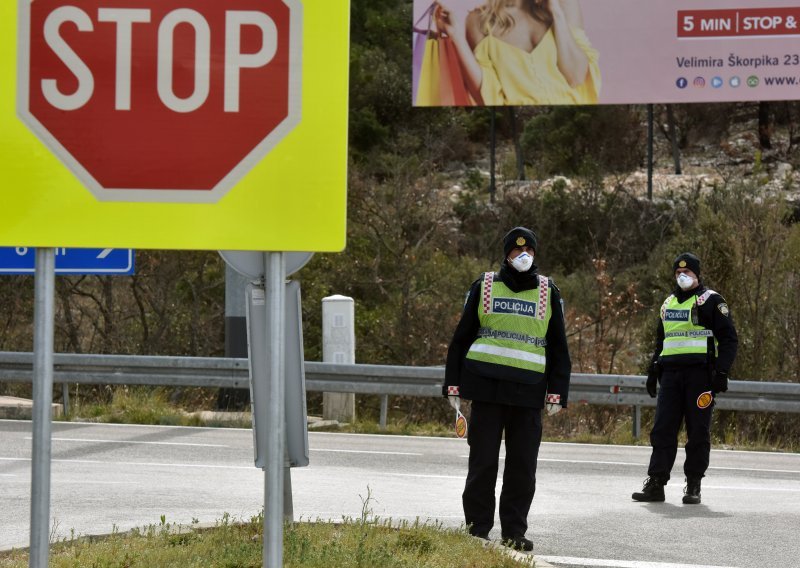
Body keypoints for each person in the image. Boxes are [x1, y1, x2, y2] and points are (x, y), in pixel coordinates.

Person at [444, 227, 571, 551]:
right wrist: (452, 384)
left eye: (528, 249)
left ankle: (514, 531)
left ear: (535, 253)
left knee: (522, 467)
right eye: (516, 251)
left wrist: (557, 392)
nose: (522, 255)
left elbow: (559, 348)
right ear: (506, 254)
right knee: (483, 463)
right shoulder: (484, 286)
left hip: (528, 394)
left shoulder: (547, 291)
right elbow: (461, 339)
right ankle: (477, 530)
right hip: (486, 389)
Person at [632, 253, 738, 505]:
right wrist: (652, 369)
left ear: (697, 275)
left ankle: (693, 485)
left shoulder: (712, 301)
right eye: (679, 272)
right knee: (662, 430)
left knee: (698, 431)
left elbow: (729, 339)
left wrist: (721, 372)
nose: (683, 276)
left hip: (700, 376)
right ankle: (656, 483)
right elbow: (661, 341)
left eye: (688, 272)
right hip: (670, 376)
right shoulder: (668, 303)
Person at [435, 0, 600, 105]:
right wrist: (457, 36)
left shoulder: (564, 5)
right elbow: (484, 96)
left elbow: (576, 77)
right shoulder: (478, 20)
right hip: (519, 123)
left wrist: (556, 12)